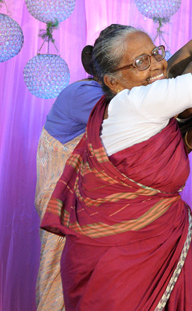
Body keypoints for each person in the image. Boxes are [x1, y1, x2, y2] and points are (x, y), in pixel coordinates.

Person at [40, 0, 192, 310]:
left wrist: (189, 139)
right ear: (112, 81)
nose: (157, 64)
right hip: (124, 261)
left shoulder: (122, 105)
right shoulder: (137, 102)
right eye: (140, 62)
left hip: (127, 251)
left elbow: (146, 174)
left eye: (155, 53)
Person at [35, 49, 103, 311]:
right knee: (57, 282)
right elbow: (129, 118)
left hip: (83, 203)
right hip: (61, 204)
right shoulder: (85, 93)